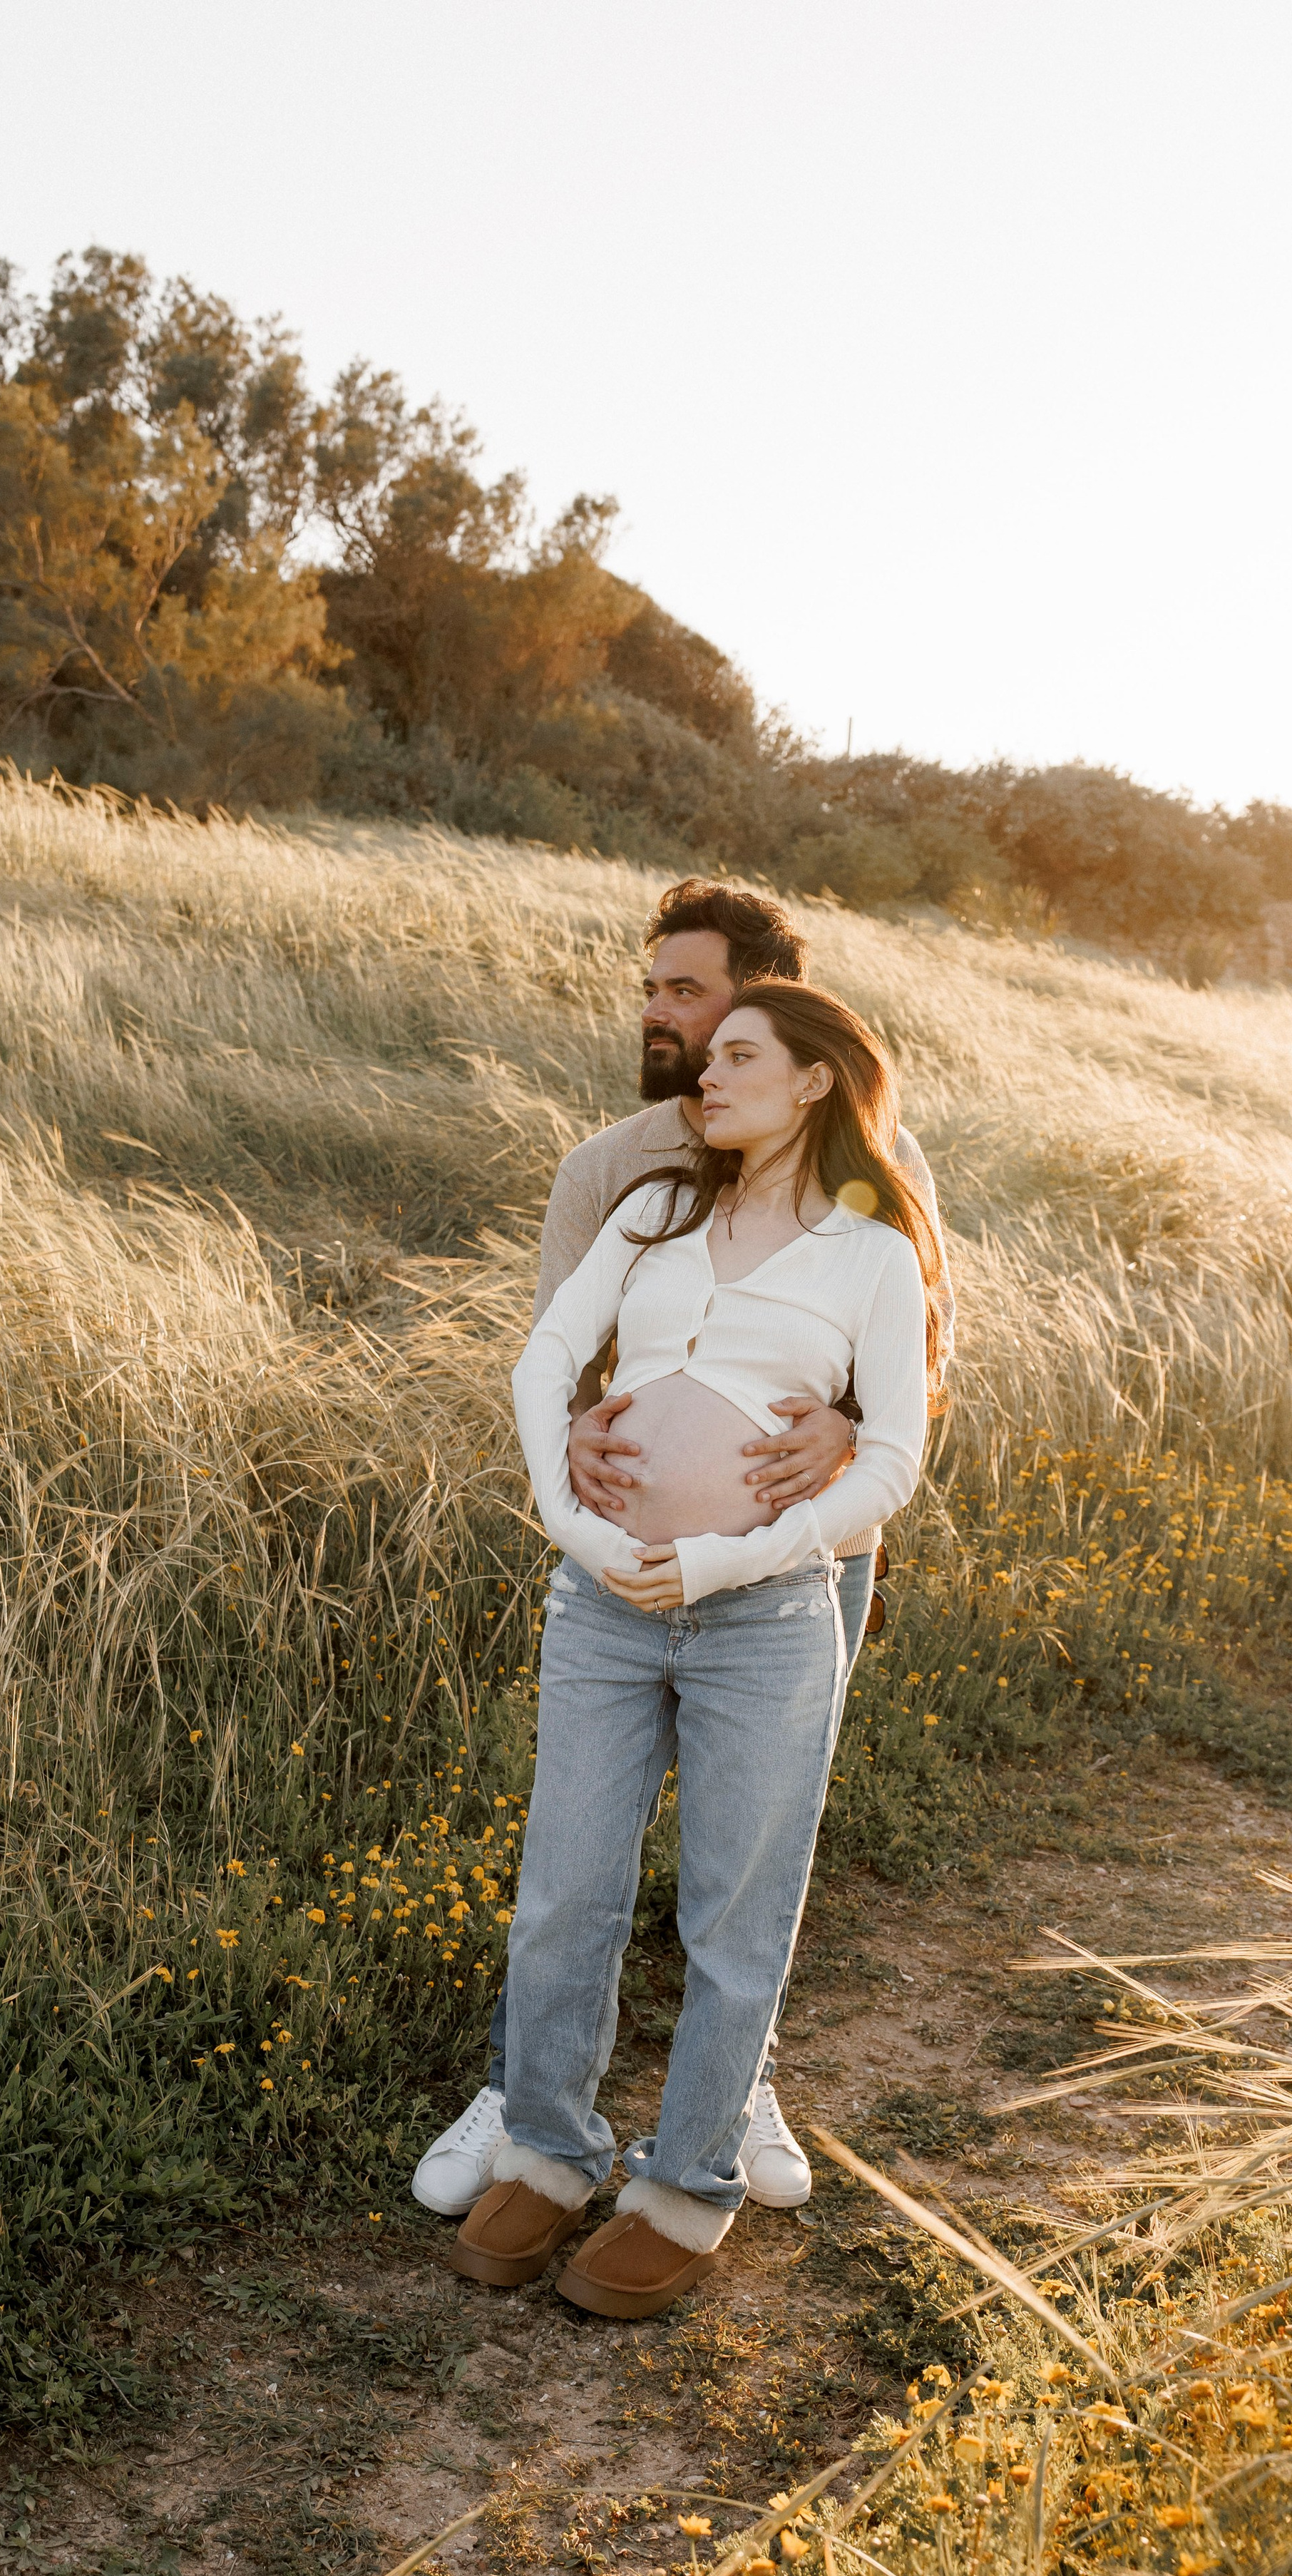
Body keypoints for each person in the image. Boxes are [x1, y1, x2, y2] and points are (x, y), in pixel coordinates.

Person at [411, 886, 947, 2219]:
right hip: (610, 1570)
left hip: (796, 1566)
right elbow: (566, 1357)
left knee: (746, 1871)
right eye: (656, 995)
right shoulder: (622, 1177)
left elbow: (915, 1378)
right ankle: (534, 2112)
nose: (669, 1023)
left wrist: (840, 1435)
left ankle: (724, 2095)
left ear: (782, 1019)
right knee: (570, 1880)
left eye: (696, 999)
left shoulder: (882, 1181)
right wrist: (578, 1471)